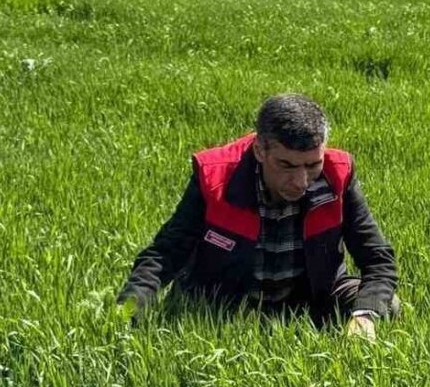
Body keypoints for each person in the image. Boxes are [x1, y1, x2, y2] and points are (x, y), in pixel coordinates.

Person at [118, 94, 399, 340]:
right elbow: (165, 253)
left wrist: (364, 316)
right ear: (260, 150)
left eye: (313, 165)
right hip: (224, 303)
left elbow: (377, 258)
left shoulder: (338, 175)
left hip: (309, 300)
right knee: (185, 320)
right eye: (286, 165)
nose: (301, 181)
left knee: (388, 306)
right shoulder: (215, 177)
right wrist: (128, 310)